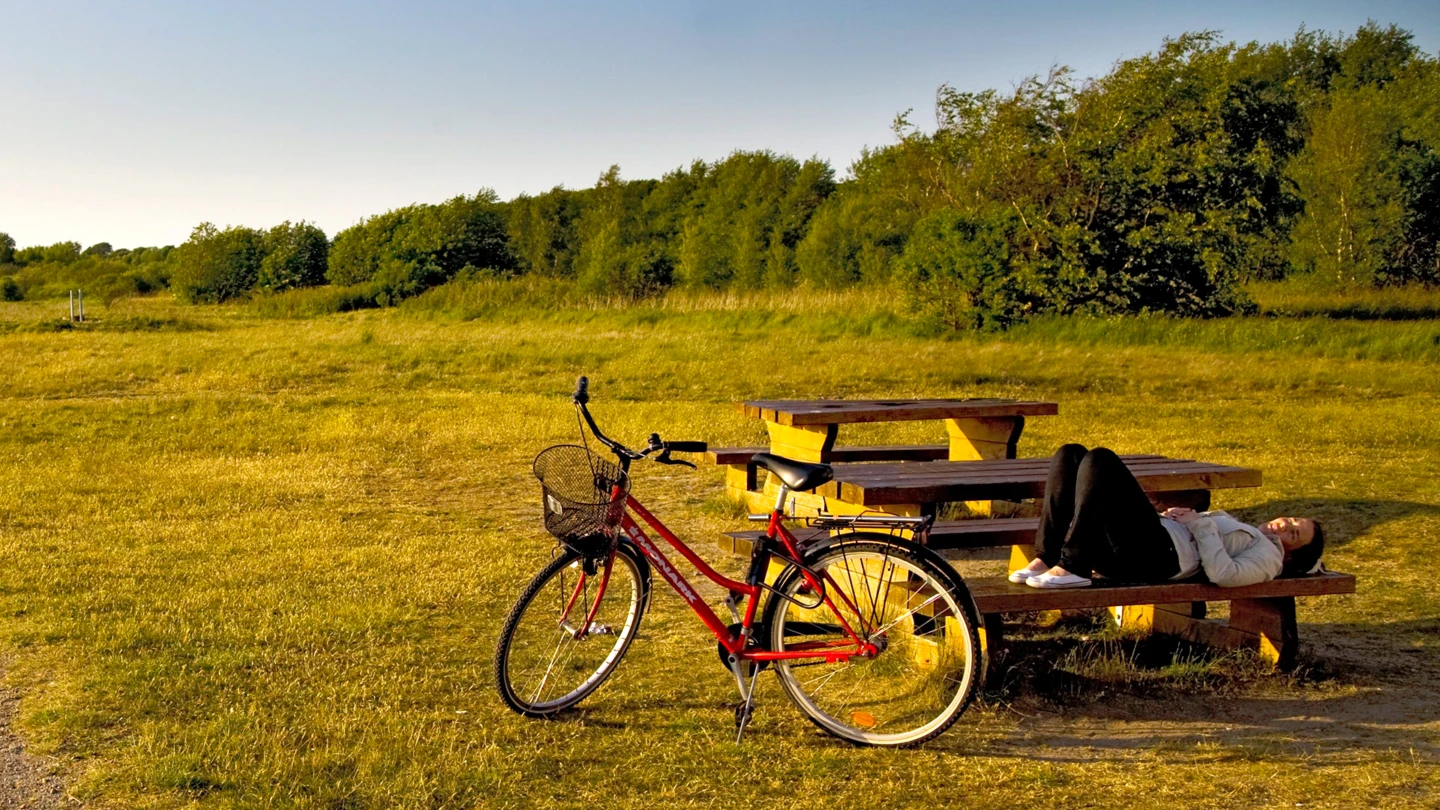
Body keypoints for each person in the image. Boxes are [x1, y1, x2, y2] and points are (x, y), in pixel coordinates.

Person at [1010, 444, 1326, 589]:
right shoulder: (1249, 531)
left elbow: (1224, 575)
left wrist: (1199, 523)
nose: (1286, 524)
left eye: (1294, 534)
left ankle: (1073, 566)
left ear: (1290, 557)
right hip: (1149, 541)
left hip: (1158, 558)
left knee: (1100, 461)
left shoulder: (1269, 558)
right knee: (1071, 455)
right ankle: (1048, 556)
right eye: (1293, 520)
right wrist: (1175, 517)